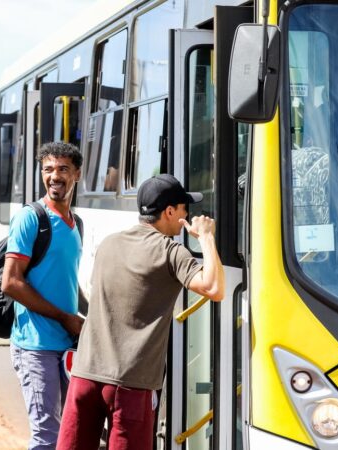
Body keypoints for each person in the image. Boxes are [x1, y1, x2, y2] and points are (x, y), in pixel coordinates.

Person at [56, 173, 225, 450]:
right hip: (130, 384)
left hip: (86, 374)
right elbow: (215, 288)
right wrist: (206, 238)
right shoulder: (171, 252)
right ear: (170, 212)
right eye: (185, 208)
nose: (188, 215)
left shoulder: (109, 243)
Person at [1, 141, 86, 450]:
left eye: (63, 169)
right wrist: (65, 317)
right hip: (35, 346)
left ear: (77, 173)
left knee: (70, 435)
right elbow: (10, 282)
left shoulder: (77, 224)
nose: (55, 176)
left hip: (65, 346)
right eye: (48, 169)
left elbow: (65, 282)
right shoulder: (30, 218)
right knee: (46, 437)